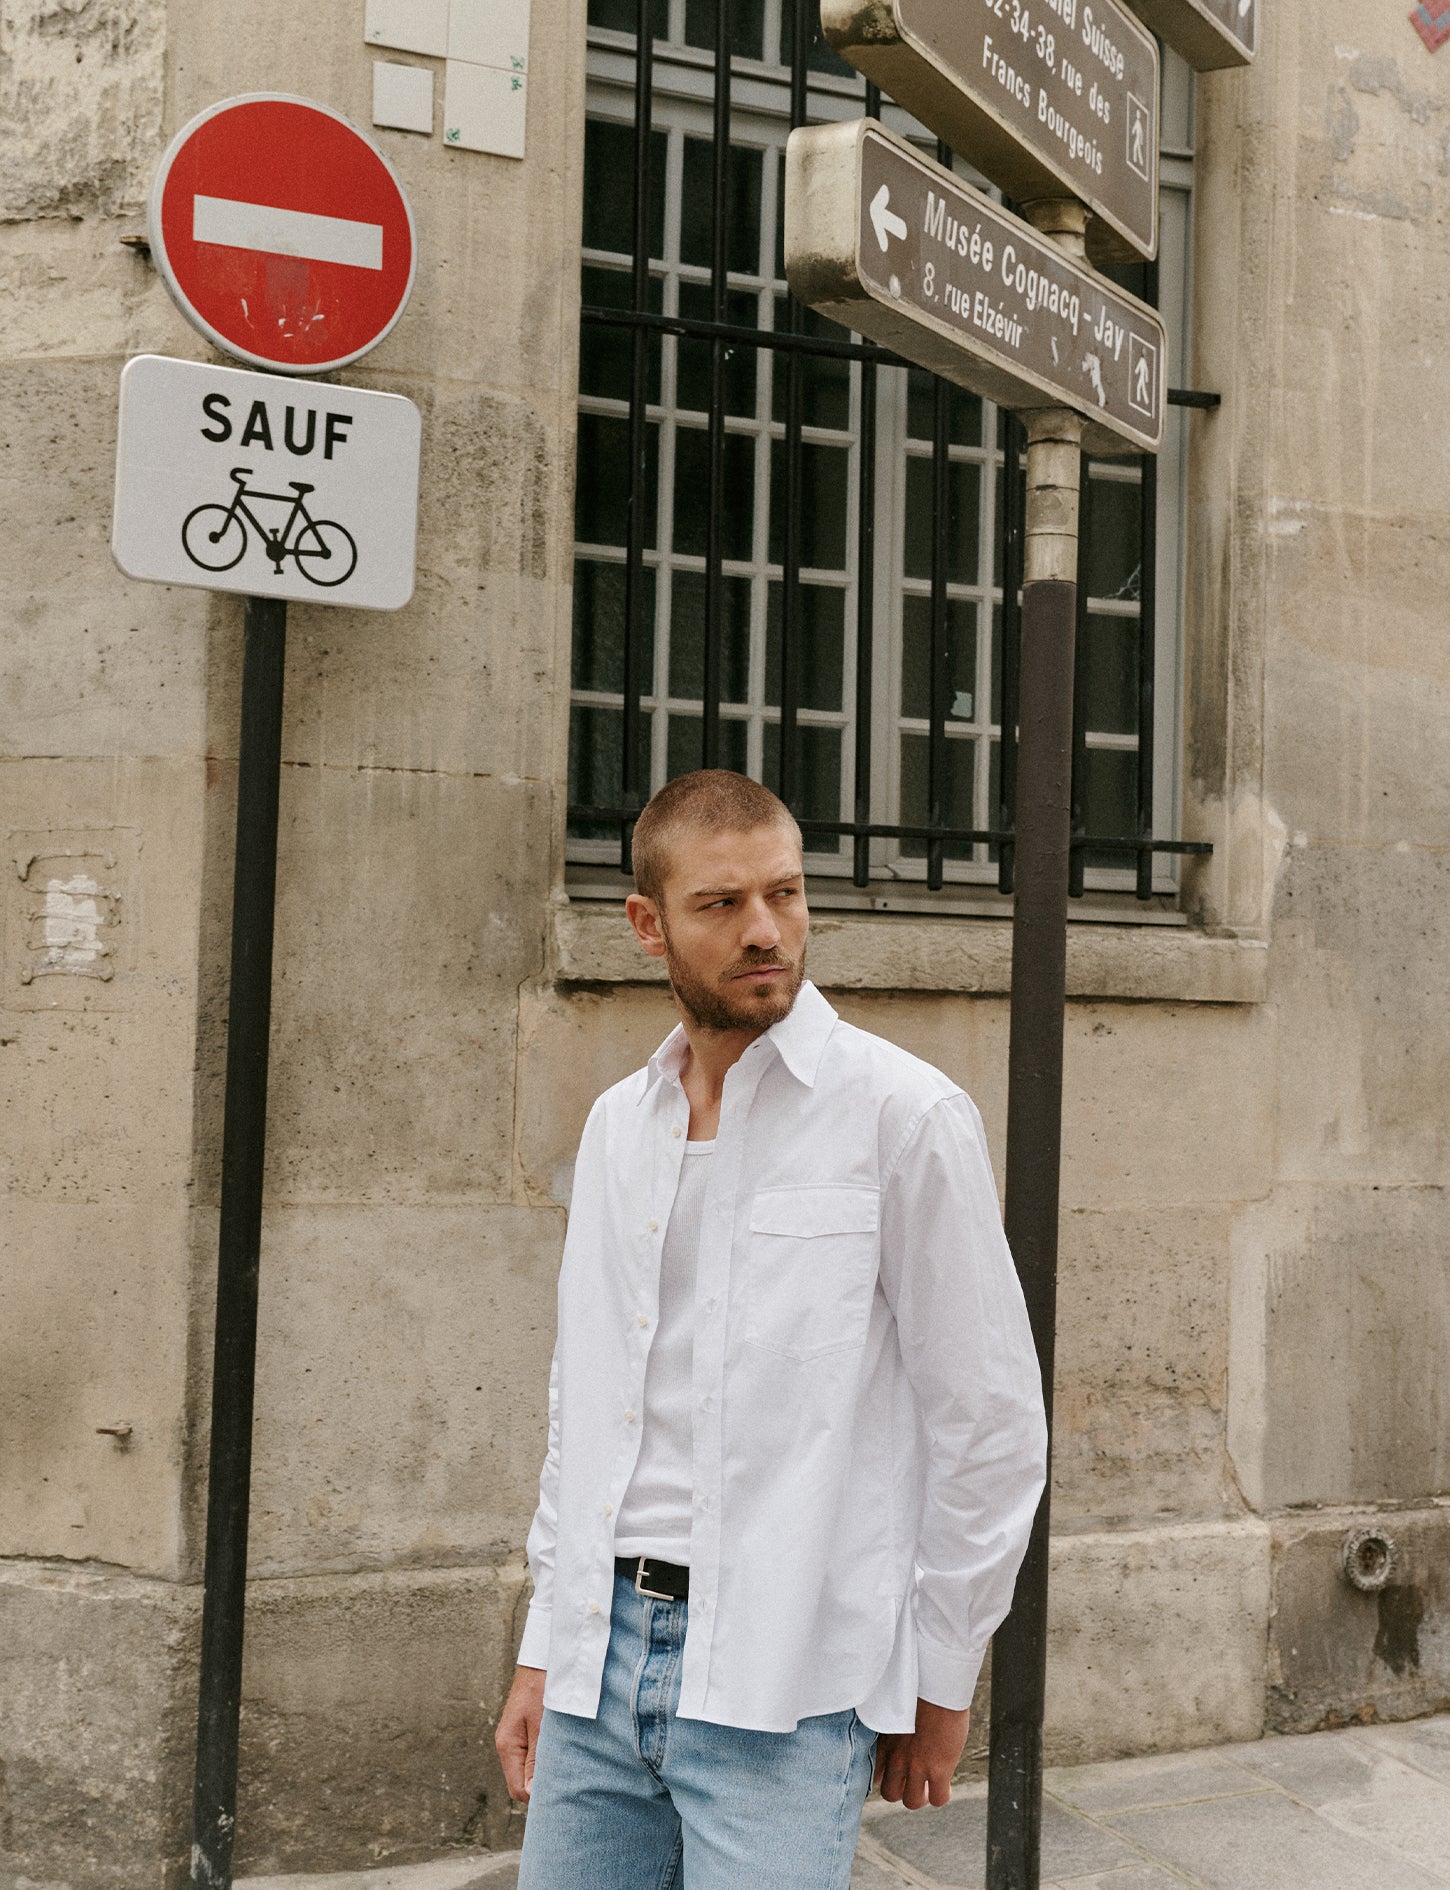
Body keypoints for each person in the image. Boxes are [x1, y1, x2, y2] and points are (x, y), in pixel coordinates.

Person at [497, 770, 1047, 1889]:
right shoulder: (619, 1126)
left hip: (788, 1682)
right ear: (646, 926)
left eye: (786, 896)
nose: (766, 932)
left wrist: (942, 1675)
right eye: (721, 905)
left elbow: (989, 1424)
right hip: (599, 1666)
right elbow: (587, 1404)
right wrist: (543, 1646)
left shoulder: (904, 1115)